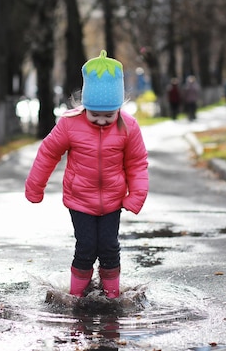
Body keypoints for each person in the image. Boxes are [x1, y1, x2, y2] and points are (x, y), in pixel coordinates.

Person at [25, 50, 149, 299]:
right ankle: (76, 296)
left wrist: (136, 195)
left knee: (109, 247)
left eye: (108, 116)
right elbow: (48, 154)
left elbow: (137, 163)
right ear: (84, 106)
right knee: (86, 247)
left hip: (113, 200)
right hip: (80, 199)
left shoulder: (129, 126)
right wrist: (35, 187)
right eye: (95, 115)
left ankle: (112, 295)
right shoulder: (70, 124)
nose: (102, 121)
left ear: (119, 107)